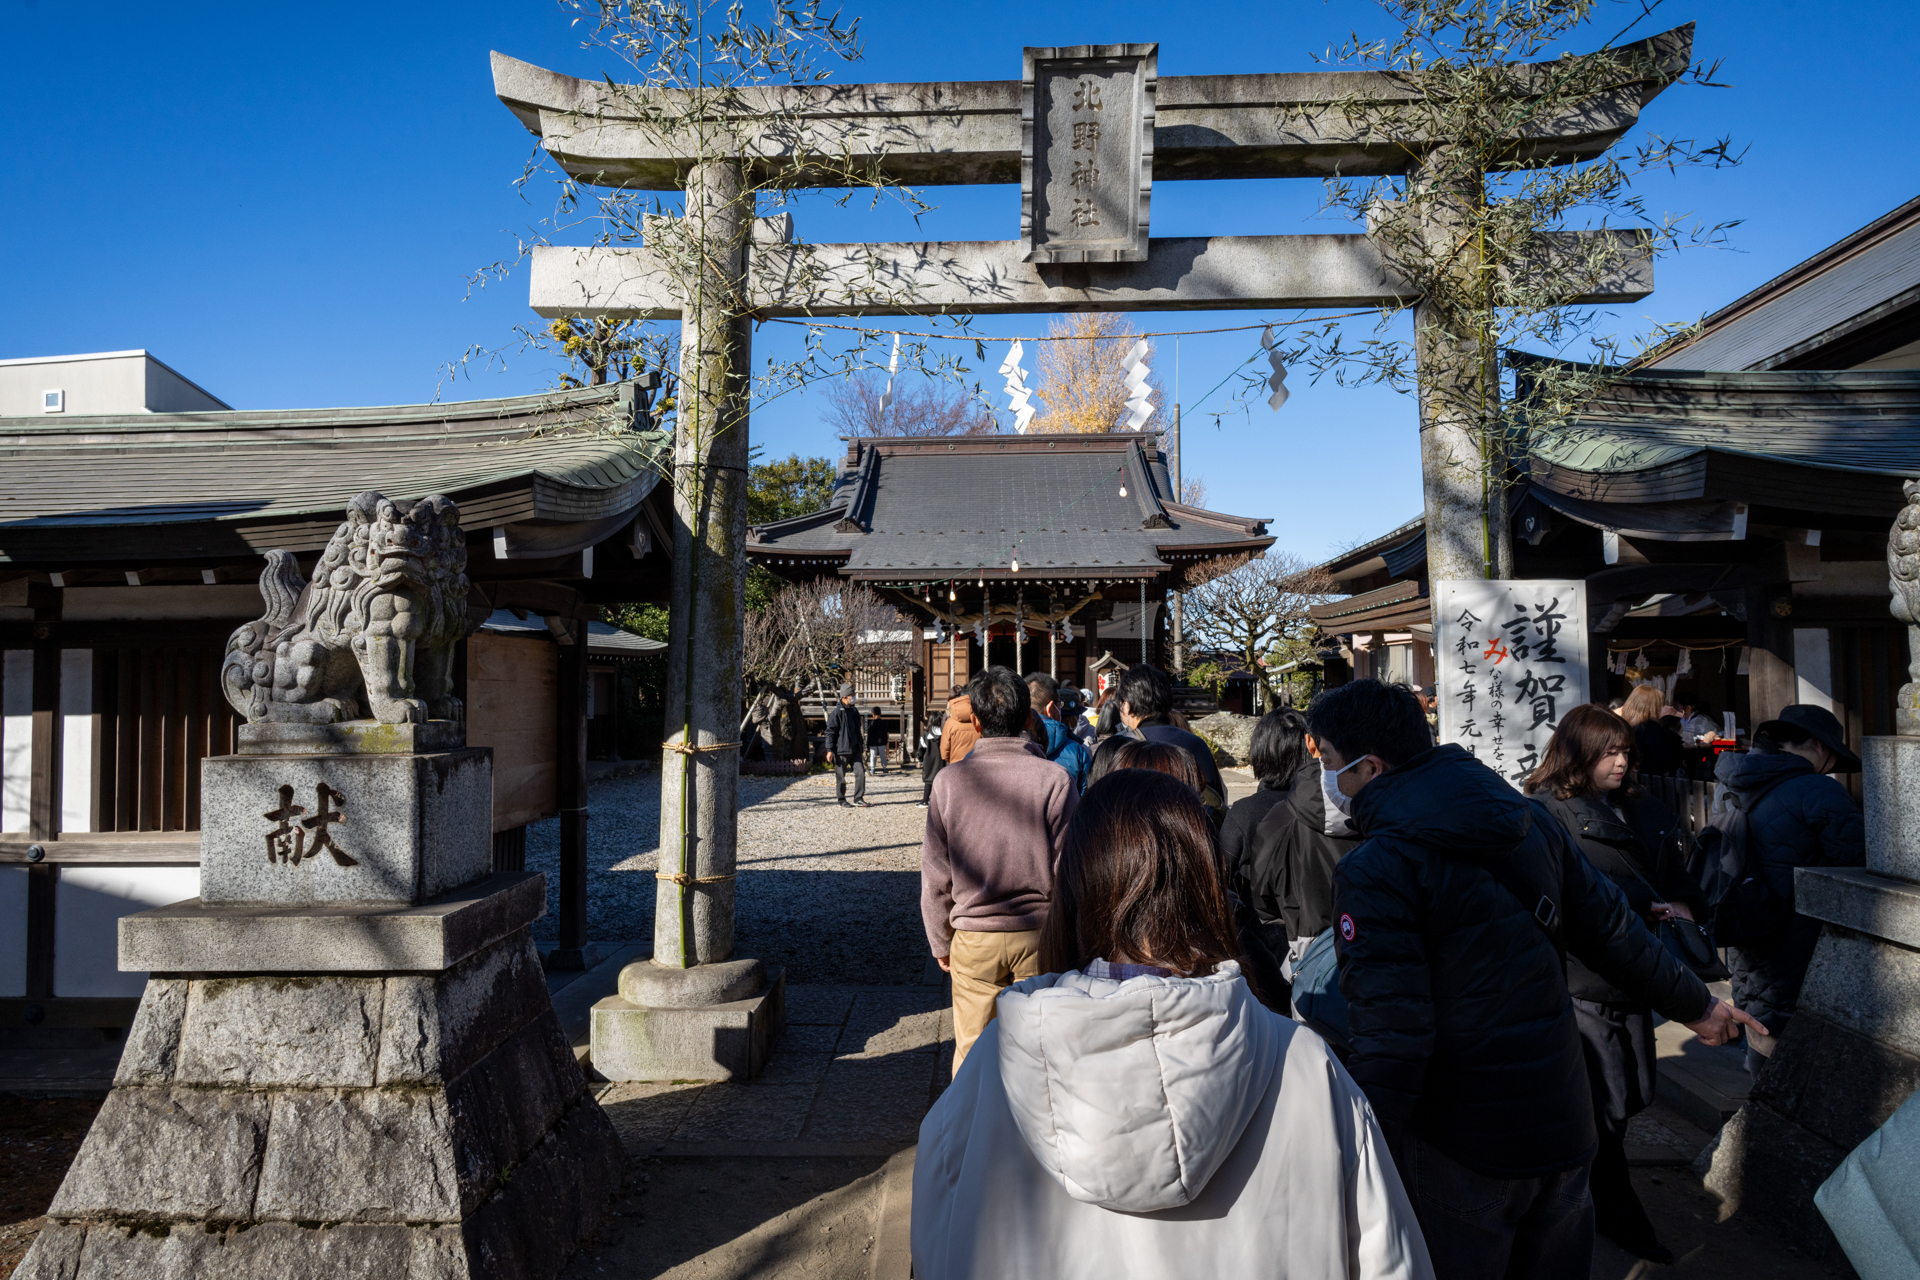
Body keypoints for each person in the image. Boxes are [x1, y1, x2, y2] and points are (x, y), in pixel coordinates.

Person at [1311, 679, 1761, 1280]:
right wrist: (1699, 1008)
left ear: (1370, 767)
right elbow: (1615, 932)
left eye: (1330, 762)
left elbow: (1394, 1038)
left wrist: (1359, 1162)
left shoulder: (1378, 867)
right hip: (1562, 1116)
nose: (1327, 776)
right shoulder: (1530, 821)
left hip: (1462, 1138)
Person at [912, 769, 1434, 1280]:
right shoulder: (1305, 1064)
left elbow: (936, 1236)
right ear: (1207, 887)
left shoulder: (994, 1066)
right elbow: (1388, 1257)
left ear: (1071, 888)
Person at [1527, 705, 1705, 1264]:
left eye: (1625, 751)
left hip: (1637, 975)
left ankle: (1597, 1207)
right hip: (1580, 980)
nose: (1622, 762)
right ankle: (1611, 1213)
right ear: (1577, 752)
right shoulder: (1546, 813)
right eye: (1609, 752)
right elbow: (1553, 902)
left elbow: (1679, 881)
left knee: (1626, 1098)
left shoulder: (1643, 809)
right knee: (1601, 1107)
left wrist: (1677, 910)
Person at [922, 667, 1080, 1077]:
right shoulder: (1055, 779)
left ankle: (970, 1135)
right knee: (1041, 1050)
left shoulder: (949, 783)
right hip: (1039, 933)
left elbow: (936, 876)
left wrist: (941, 940)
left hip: (975, 935)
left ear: (974, 722)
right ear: (1029, 719)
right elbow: (1070, 870)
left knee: (973, 1050)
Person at [1712, 704, 1865, 1073]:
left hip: (1747, 931)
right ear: (1820, 746)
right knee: (1798, 1062)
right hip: (1801, 939)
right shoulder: (1817, 789)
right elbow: (1856, 867)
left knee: (1760, 1026)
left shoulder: (1735, 784)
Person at [1237, 709, 1362, 977]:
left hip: (1309, 954)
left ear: (1312, 743)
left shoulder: (1276, 820)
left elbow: (1263, 901)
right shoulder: (1389, 812)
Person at [1113, 663, 1227, 809]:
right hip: (1192, 828)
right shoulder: (1197, 744)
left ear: (1127, 705)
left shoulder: (1120, 745)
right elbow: (1217, 800)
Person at [1219, 709, 1309, 881]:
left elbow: (1220, 873)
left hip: (1253, 905)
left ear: (1260, 751)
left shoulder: (1245, 812)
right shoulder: (1319, 805)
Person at [1025, 672, 1091, 792]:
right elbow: (1086, 796)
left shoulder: (1010, 743)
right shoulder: (1078, 751)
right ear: (1050, 708)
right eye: (1059, 704)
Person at [1620, 684, 1683, 776]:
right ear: (1653, 706)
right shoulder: (1649, 727)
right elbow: (1663, 757)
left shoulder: (1623, 724)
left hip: (1629, 775)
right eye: (1659, 704)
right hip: (1650, 778)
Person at [824, 684, 868, 808]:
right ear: (844, 697)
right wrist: (829, 750)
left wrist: (861, 745)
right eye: (851, 696)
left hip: (855, 749)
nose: (854, 698)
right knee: (841, 777)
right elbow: (830, 732)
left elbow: (858, 731)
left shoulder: (854, 711)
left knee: (860, 773)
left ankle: (858, 798)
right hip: (841, 750)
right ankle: (841, 799)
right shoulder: (837, 713)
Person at [941, 690, 979, 765]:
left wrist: (952, 759)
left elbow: (944, 752)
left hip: (956, 765)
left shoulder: (950, 723)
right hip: (976, 765)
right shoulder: (979, 720)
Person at [918, 710, 945, 808]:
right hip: (943, 761)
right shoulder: (944, 733)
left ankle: (925, 800)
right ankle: (941, 802)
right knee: (942, 782)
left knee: (928, 782)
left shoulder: (926, 734)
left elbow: (921, 749)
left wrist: (920, 759)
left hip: (929, 760)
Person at [867, 707, 888, 774]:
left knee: (873, 755)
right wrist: (886, 741)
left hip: (873, 742)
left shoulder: (871, 723)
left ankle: (872, 768)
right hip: (881, 741)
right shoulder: (883, 723)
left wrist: (867, 744)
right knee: (882, 755)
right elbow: (885, 733)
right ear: (880, 713)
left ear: (873, 714)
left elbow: (869, 734)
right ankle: (884, 768)